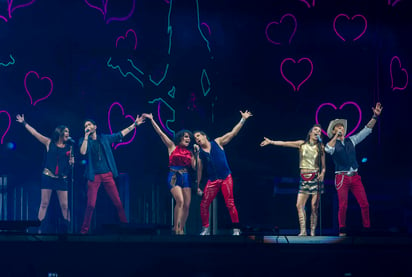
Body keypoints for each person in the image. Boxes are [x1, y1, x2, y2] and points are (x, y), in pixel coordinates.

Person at [79, 116, 145, 234]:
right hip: (93, 176)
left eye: (89, 125)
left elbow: (120, 134)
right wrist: (85, 137)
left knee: (118, 202)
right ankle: (84, 231)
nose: (87, 127)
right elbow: (83, 152)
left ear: (95, 127)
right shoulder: (84, 141)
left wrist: (134, 124)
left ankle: (125, 227)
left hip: (107, 174)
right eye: (85, 126)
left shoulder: (104, 138)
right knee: (90, 205)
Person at [325, 102, 383, 236]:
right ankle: (342, 230)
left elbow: (366, 130)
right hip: (342, 177)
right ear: (333, 131)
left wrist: (375, 116)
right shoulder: (332, 144)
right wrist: (335, 136)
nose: (341, 129)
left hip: (355, 176)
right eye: (338, 127)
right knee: (343, 205)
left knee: (365, 204)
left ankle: (367, 228)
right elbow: (328, 149)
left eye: (342, 127)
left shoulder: (352, 140)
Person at [194, 110, 253, 236]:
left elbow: (233, 133)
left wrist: (243, 119)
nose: (197, 138)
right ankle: (205, 229)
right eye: (195, 138)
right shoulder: (200, 153)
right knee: (204, 204)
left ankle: (236, 228)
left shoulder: (217, 142)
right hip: (212, 180)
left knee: (230, 203)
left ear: (204, 136)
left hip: (226, 177)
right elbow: (199, 169)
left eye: (198, 136)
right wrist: (198, 185)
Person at [260, 124, 325, 236]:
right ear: (310, 133)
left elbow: (324, 166)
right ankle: (303, 230)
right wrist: (272, 142)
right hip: (304, 178)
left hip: (315, 178)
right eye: (315, 130)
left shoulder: (321, 147)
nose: (317, 132)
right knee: (299, 205)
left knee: (314, 206)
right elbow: (286, 143)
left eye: (319, 131)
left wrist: (323, 173)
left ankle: (313, 232)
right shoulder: (302, 144)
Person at [16, 114, 74, 233]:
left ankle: (68, 229)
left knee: (64, 205)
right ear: (60, 133)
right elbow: (35, 133)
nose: (68, 133)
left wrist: (72, 163)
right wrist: (24, 123)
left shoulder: (69, 147)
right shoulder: (49, 143)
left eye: (68, 131)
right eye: (66, 131)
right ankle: (39, 228)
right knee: (44, 203)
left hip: (62, 179)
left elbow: (69, 166)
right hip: (48, 177)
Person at [142, 113, 197, 235]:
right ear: (180, 137)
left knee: (187, 205)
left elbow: (194, 167)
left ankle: (181, 228)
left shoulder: (190, 152)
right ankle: (176, 227)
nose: (188, 139)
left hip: (186, 177)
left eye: (189, 138)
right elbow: (160, 133)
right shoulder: (172, 146)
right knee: (180, 201)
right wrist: (152, 120)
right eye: (186, 137)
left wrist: (196, 155)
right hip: (173, 175)